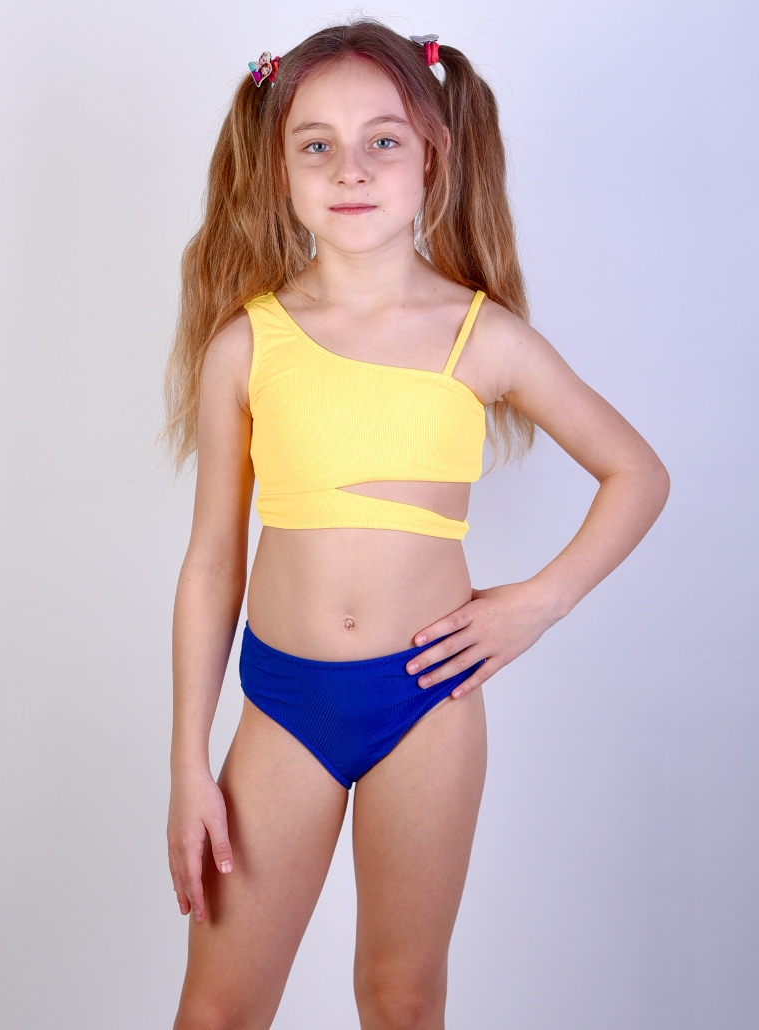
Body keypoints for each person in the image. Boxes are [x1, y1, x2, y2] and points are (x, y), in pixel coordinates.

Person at [160, 19, 670, 1030]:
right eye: (316, 144)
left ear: (431, 155)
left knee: (400, 999)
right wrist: (185, 762)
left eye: (381, 140)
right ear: (278, 169)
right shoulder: (245, 347)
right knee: (217, 1012)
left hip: (426, 704)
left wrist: (535, 605)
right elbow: (213, 563)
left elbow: (637, 474)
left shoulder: (484, 337)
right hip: (284, 707)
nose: (349, 169)